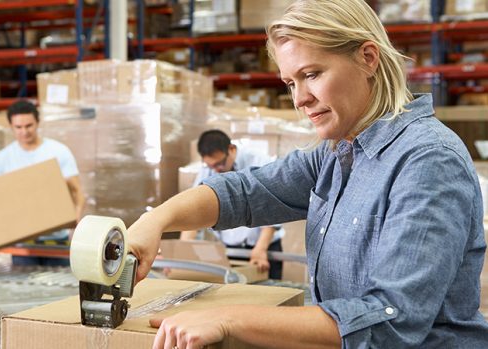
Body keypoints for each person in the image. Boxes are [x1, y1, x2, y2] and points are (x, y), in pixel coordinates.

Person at [127, 0, 488, 348]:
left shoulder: (427, 160)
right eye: (290, 83)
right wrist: (158, 220)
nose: (299, 99)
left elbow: (391, 320)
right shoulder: (337, 153)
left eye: (311, 74)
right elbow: (245, 191)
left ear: (368, 58)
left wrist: (228, 319)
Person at [0, 99, 85, 267]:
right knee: (27, 289)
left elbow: (77, 191)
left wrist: (77, 217)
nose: (24, 132)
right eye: (18, 127)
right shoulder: (2, 159)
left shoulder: (58, 152)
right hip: (22, 241)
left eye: (29, 126)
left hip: (56, 240)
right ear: (11, 126)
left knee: (59, 289)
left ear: (38, 123)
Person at [180, 129, 283, 279]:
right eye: (212, 166)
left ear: (232, 149)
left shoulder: (259, 162)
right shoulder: (209, 171)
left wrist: (261, 248)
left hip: (263, 247)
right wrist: (182, 252)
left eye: (220, 163)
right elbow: (195, 210)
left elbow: (273, 208)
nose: (217, 169)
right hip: (230, 249)